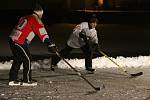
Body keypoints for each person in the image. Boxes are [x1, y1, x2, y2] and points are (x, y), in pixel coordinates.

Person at [8, 4, 56, 86]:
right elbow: (42, 32)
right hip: (19, 41)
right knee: (28, 59)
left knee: (18, 59)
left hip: (12, 39)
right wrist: (49, 43)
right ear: (40, 13)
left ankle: (12, 80)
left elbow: (29, 31)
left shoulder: (26, 17)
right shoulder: (36, 19)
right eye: (42, 14)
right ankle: (27, 80)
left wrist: (26, 42)